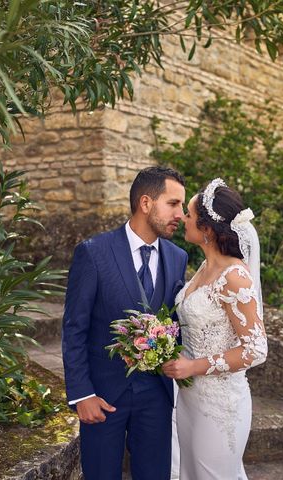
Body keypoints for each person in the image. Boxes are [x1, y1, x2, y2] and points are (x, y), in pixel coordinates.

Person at [62, 166, 188, 480]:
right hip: (103, 398)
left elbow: (174, 321)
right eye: (173, 204)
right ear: (146, 203)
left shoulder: (177, 257)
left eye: (182, 206)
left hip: (156, 397)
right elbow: (74, 328)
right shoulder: (93, 253)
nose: (181, 214)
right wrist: (82, 395)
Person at [162, 178, 268, 480]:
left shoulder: (235, 276)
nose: (183, 218)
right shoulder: (205, 268)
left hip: (220, 404)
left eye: (190, 215)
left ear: (207, 229)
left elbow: (256, 349)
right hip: (189, 398)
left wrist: (193, 366)